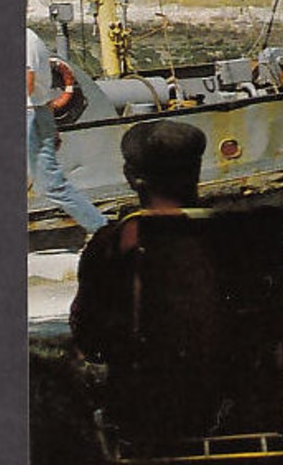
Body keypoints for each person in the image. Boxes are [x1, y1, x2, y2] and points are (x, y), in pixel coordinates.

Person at [69, 119, 209, 366]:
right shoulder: (246, 230)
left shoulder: (114, 242)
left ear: (131, 177)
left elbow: (88, 335)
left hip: (145, 389)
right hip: (233, 385)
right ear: (196, 171)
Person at [26, 24, 107, 236]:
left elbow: (27, 84)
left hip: (29, 115)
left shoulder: (25, 41)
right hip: (35, 114)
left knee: (52, 185)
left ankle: (103, 230)